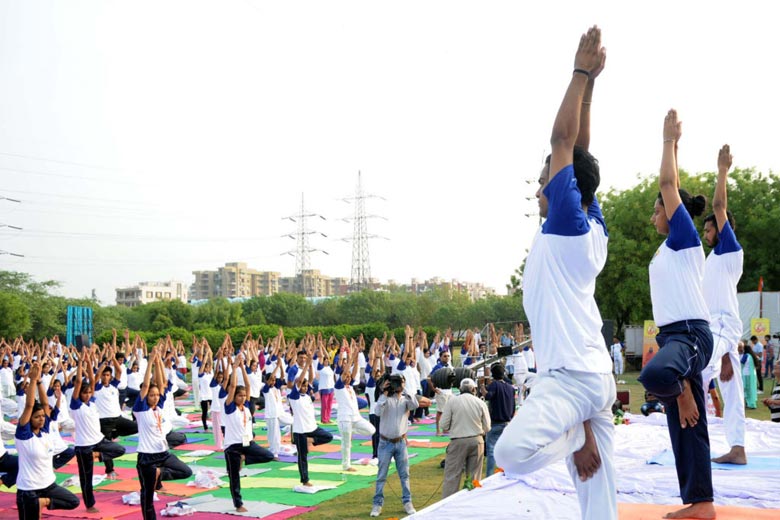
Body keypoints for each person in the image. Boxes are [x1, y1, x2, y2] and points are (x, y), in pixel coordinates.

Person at [494, 26, 617, 520]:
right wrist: (590, 91)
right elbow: (579, 152)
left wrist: (581, 72)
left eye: (544, 180)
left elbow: (562, 140)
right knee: (598, 497)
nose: (539, 188)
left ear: (563, 190)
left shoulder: (565, 224)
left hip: (568, 380)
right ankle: (580, 431)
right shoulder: (591, 223)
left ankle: (572, 436)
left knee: (510, 454)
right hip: (595, 376)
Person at [637, 109, 715, 520]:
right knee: (685, 424)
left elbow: (670, 185)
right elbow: (675, 187)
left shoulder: (684, 238)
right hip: (673, 340)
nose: (653, 216)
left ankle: (682, 389)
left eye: (657, 210)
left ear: (674, 213)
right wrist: (677, 147)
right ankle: (700, 502)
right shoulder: (668, 248)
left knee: (654, 377)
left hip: (690, 335)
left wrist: (667, 141)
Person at [700, 144, 747, 465]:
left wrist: (722, 171)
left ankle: (694, 442)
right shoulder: (711, 259)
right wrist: (730, 350)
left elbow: (719, 203)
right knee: (731, 389)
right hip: (718, 326)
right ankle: (738, 448)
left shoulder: (730, 250)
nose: (705, 232)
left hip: (721, 324)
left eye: (709, 227)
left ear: (722, 227)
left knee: (699, 373)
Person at [16, 362, 80, 520]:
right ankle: (37, 502)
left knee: (73, 501)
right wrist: (32, 380)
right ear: (29, 420)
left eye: (42, 417)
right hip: (29, 489)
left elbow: (45, 404)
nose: (41, 419)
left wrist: (39, 382)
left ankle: (43, 502)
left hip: (48, 485)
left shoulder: (44, 431)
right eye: (36, 417)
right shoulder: (24, 435)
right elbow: (30, 405)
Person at [133, 348, 192, 520]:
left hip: (163, 454)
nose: (155, 397)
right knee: (147, 495)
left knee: (186, 471)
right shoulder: (141, 410)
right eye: (151, 395)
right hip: (147, 458)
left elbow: (162, 383)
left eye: (157, 395)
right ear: (145, 397)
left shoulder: (159, 407)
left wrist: (159, 362)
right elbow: (146, 386)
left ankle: (160, 474)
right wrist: (151, 361)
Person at [71, 351, 126, 513]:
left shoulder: (92, 402)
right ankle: (90, 505)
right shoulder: (76, 405)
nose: (88, 395)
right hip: (83, 446)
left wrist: (90, 362)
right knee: (86, 478)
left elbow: (93, 382)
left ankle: (98, 456)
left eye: (89, 393)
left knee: (120, 449)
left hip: (98, 441)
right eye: (84, 393)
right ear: (79, 394)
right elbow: (81, 381)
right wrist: (82, 363)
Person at [223, 355, 274, 512]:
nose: (243, 397)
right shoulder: (229, 407)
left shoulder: (245, 406)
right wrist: (235, 368)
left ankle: (244, 459)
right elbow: (233, 387)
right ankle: (238, 504)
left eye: (244, 396)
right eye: (240, 395)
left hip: (247, 443)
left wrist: (244, 368)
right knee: (234, 477)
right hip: (233, 446)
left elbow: (248, 385)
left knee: (268, 455)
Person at [371, 374, 418, 518]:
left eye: (400, 382)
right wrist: (384, 393)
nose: (398, 385)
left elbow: (415, 405)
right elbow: (377, 412)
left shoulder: (405, 399)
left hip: (401, 442)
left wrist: (405, 389)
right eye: (396, 383)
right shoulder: (385, 399)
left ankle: (407, 502)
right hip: (385, 442)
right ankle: (377, 504)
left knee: (404, 475)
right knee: (381, 475)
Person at [288, 353, 333, 486]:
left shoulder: (307, 396)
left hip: (312, 428)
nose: (305, 387)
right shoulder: (294, 397)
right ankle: (305, 480)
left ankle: (310, 440)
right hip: (300, 430)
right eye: (302, 386)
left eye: (306, 387)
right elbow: (299, 382)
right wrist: (307, 364)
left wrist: (309, 367)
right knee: (303, 457)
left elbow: (310, 381)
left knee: (328, 436)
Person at [441, 378, 490, 498]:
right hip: (477, 440)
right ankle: (472, 503)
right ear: (474, 389)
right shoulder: (480, 402)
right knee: (474, 477)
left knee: (452, 476)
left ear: (460, 389)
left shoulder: (452, 401)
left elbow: (444, 425)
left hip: (458, 441)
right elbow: (488, 427)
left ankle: (448, 506)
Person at [335, 346, 376, 472]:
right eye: (346, 376)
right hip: (344, 418)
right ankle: (346, 465)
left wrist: (357, 359)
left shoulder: (350, 387)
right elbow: (346, 371)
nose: (348, 378)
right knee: (346, 444)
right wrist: (351, 356)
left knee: (371, 430)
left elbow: (353, 371)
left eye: (349, 377)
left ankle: (351, 431)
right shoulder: (339, 387)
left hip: (355, 418)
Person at [481, 364, 515, 476]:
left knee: (491, 451)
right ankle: (506, 473)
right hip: (508, 422)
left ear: (492, 374)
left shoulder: (494, 385)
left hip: (496, 422)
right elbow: (514, 406)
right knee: (505, 450)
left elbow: (488, 396)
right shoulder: (510, 387)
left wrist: (482, 388)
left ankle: (489, 476)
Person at [741, 342, 758, 409]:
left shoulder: (746, 356)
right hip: (753, 375)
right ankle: (752, 402)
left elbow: (741, 363)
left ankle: (748, 403)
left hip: (746, 375)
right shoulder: (753, 356)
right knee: (752, 389)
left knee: (746, 389)